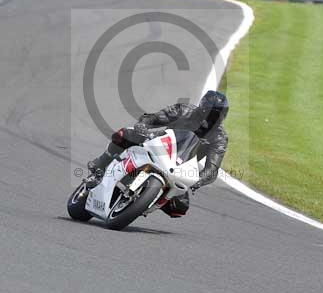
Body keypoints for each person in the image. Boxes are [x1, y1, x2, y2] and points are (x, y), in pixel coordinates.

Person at [86, 90, 229, 218]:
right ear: (202, 108)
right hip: (158, 144)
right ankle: (101, 163)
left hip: (180, 166)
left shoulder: (219, 137)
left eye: (218, 115)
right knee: (126, 134)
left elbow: (212, 168)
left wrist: (199, 180)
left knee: (179, 208)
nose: (212, 118)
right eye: (211, 113)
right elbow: (156, 117)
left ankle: (142, 202)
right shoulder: (183, 111)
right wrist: (143, 125)